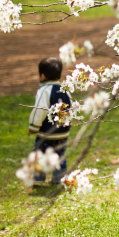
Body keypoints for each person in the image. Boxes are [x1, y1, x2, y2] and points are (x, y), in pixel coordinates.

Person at [28, 57, 72, 185]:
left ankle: (38, 178)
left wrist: (33, 127)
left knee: (39, 154)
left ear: (42, 76)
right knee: (59, 155)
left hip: (47, 133)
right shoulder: (65, 89)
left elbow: (39, 110)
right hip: (62, 132)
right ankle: (59, 178)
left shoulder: (44, 91)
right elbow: (71, 107)